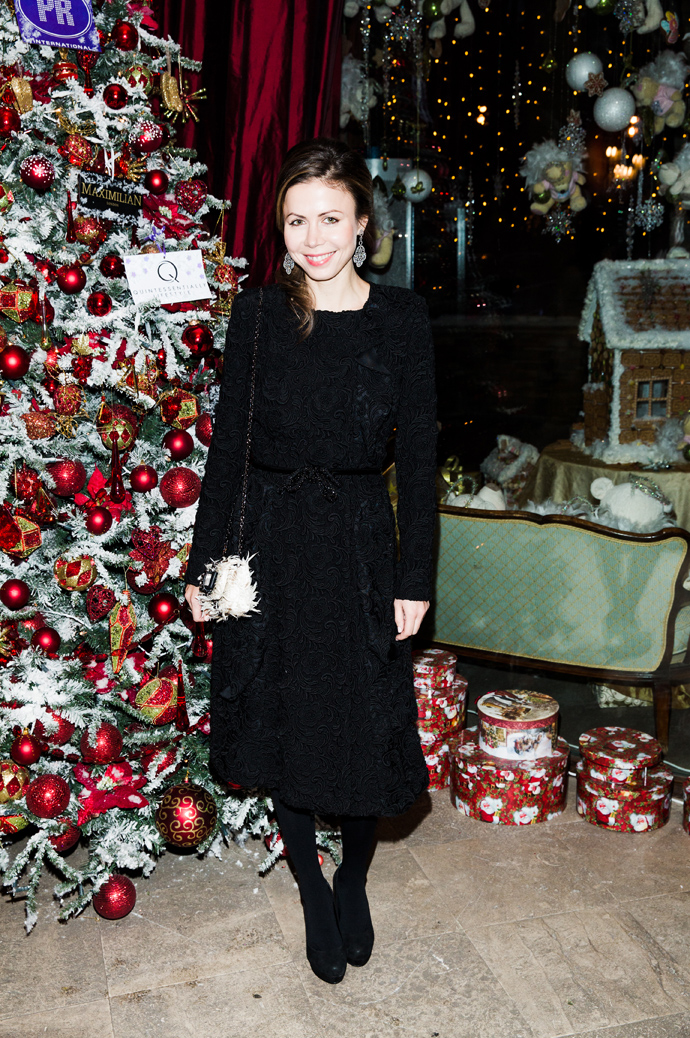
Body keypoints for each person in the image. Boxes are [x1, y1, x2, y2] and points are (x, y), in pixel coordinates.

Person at [185, 138, 437, 985]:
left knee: (363, 726)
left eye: (331, 218)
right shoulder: (258, 316)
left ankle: (353, 877)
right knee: (285, 721)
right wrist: (206, 567)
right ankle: (307, 884)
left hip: (361, 544)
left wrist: (415, 580)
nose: (313, 238)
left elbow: (422, 462)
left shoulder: (401, 319)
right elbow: (228, 450)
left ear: (363, 222)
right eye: (297, 221)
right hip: (270, 544)